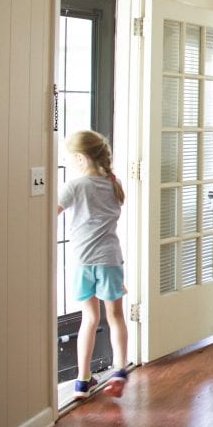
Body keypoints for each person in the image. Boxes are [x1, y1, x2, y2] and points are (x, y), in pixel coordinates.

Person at [58, 130, 130, 399]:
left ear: (79, 158)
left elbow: (49, 212)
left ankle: (82, 380)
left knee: (89, 319)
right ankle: (120, 369)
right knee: (116, 317)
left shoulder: (74, 187)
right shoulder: (113, 183)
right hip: (110, 260)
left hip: (82, 262)